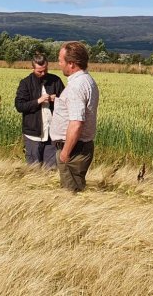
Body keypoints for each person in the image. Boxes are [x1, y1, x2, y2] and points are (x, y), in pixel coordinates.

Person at [49, 41, 99, 192]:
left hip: (73, 151)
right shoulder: (88, 81)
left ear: (71, 63)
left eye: (60, 60)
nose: (59, 64)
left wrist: (65, 153)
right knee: (76, 192)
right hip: (79, 148)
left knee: (70, 196)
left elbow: (77, 123)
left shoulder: (76, 86)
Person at [14, 53, 65, 168]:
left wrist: (56, 100)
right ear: (32, 68)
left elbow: (67, 103)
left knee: (51, 169)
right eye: (39, 71)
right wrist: (38, 101)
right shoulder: (25, 83)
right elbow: (19, 106)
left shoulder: (56, 81)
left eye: (45, 70)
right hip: (32, 135)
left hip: (52, 134)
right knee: (33, 170)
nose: (43, 73)